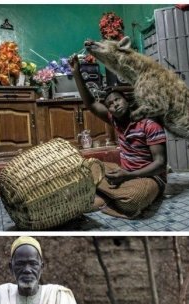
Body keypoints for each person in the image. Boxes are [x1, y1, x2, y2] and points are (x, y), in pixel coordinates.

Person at [71, 55, 168, 218]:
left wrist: (128, 176)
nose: (114, 104)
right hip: (125, 173)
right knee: (88, 166)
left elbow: (160, 164)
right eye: (110, 104)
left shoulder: (149, 124)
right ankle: (112, 196)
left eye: (117, 100)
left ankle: (103, 197)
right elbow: (91, 104)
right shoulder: (114, 120)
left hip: (150, 178)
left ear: (128, 102)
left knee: (132, 199)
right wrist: (76, 73)